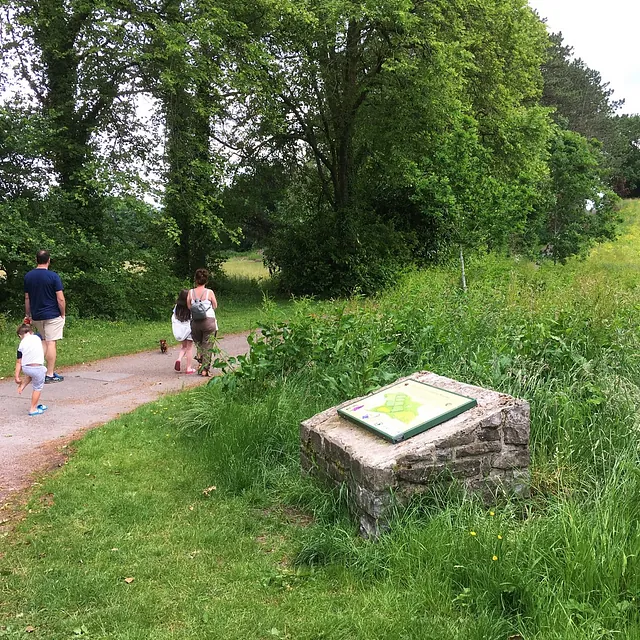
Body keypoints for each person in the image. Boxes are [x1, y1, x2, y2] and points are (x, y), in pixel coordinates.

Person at [24, 250, 65, 383]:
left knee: (43, 342)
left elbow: (27, 298)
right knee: (51, 342)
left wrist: (28, 314)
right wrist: (63, 313)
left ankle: (39, 371)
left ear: (36, 260)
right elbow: (60, 299)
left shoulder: (28, 276)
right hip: (52, 314)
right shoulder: (53, 276)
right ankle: (50, 374)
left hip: (36, 315)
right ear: (48, 260)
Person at [187, 269, 218, 377]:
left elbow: (189, 306)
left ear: (195, 280)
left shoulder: (190, 292)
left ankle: (200, 362)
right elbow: (215, 305)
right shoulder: (209, 292)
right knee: (208, 345)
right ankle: (205, 370)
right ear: (206, 280)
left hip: (195, 322)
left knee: (199, 344)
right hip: (208, 321)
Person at [15, 323, 49, 416]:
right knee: (37, 388)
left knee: (31, 375)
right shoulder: (37, 336)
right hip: (38, 368)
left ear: (20, 335)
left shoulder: (20, 345)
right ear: (31, 332)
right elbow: (44, 340)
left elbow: (19, 362)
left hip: (26, 368)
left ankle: (22, 386)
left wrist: (17, 376)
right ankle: (33, 409)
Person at [171, 289, 196, 374]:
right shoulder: (190, 306)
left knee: (183, 347)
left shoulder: (176, 307)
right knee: (189, 349)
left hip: (181, 331)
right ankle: (189, 368)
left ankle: (179, 359)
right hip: (188, 330)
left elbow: (174, 317)